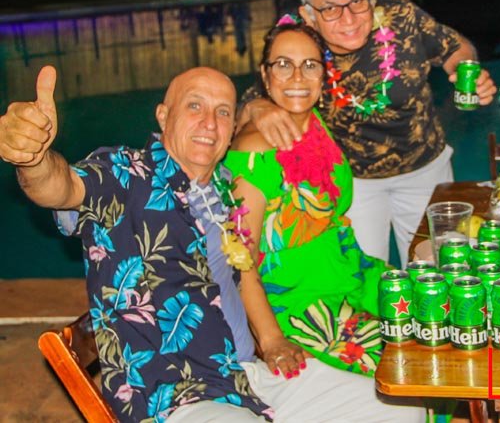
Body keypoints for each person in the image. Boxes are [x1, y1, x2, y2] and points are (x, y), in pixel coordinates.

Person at [0, 66, 423, 422]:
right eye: (195, 106)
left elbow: (243, 272)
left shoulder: (223, 189)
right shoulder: (125, 174)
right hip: (172, 397)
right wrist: (33, 160)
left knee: (399, 408)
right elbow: (61, 187)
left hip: (245, 378)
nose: (209, 122)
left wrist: (271, 341)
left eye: (223, 112)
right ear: (163, 116)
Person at [237, 0, 498, 268]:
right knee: (364, 275)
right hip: (353, 183)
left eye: (357, 1)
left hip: (425, 170)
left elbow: (455, 46)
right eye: (330, 8)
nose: (348, 19)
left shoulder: (402, 16)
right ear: (308, 14)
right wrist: (257, 108)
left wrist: (464, 69)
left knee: (437, 271)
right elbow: (249, 102)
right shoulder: (298, 42)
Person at [223, 21, 390, 376]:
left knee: (436, 314)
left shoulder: (313, 123)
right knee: (406, 364)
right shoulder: (253, 154)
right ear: (265, 76)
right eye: (283, 64)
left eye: (309, 65)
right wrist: (271, 341)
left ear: (323, 76)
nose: (297, 76)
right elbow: (240, 261)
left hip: (350, 276)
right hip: (303, 305)